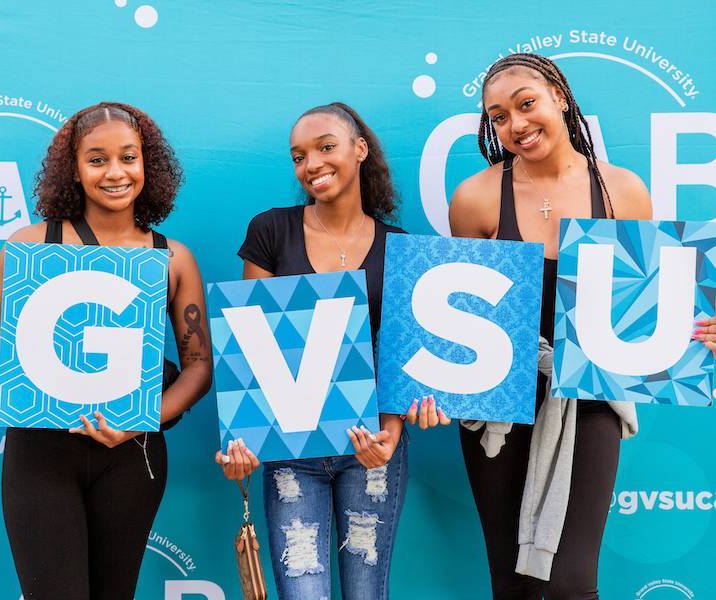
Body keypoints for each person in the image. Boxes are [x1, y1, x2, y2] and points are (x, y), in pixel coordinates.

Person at [0, 102, 212, 600]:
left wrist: (147, 418)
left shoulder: (172, 257)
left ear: (147, 165)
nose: (115, 172)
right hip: (40, 457)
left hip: (133, 456)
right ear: (73, 168)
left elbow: (199, 367)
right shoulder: (29, 246)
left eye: (128, 157)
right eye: (97, 159)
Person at [215, 102, 449, 600]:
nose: (311, 165)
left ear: (359, 149)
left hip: (371, 452)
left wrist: (390, 433)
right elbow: (253, 353)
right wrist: (243, 444)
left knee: (367, 593)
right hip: (292, 455)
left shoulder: (399, 247)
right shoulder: (271, 231)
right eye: (298, 156)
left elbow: (400, 357)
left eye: (325, 147)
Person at [449, 53, 651, 599]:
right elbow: (458, 314)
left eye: (526, 104)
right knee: (512, 583)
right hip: (499, 399)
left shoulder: (622, 190)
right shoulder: (476, 197)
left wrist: (693, 330)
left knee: (569, 582)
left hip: (589, 393)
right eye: (497, 116)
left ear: (560, 97)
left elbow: (645, 310)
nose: (515, 125)